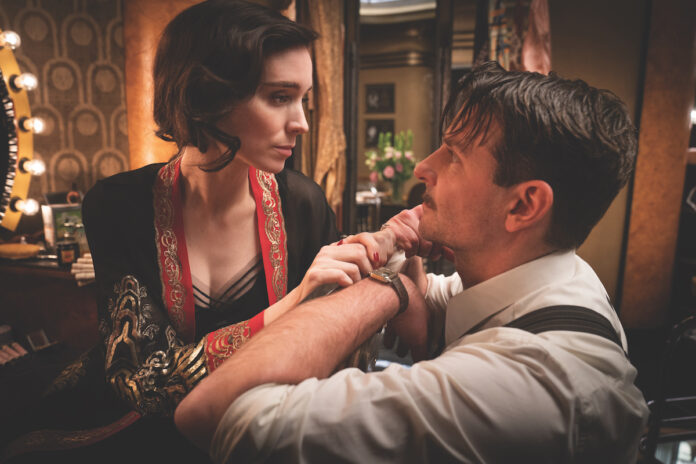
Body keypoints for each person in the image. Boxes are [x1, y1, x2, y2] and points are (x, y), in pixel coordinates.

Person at [174, 62, 650, 463]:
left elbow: (217, 412)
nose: (424, 166)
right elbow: (434, 304)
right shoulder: (559, 277)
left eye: (454, 156)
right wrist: (405, 274)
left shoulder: (527, 389)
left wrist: (385, 287)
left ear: (524, 206)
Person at [3, 1, 375, 461]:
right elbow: (144, 381)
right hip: (135, 430)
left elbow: (337, 353)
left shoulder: (304, 204)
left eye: (304, 99)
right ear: (207, 96)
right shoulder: (117, 205)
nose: (301, 122)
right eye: (280, 97)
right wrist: (296, 301)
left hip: (258, 430)